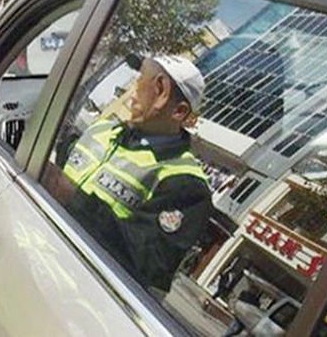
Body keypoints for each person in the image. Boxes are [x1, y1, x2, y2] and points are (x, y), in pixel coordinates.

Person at [44, 55, 214, 293]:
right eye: (136, 80)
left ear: (178, 111)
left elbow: (146, 261)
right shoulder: (102, 130)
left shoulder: (185, 184)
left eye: (146, 85)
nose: (131, 90)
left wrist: (72, 197)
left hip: (69, 292)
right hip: (31, 257)